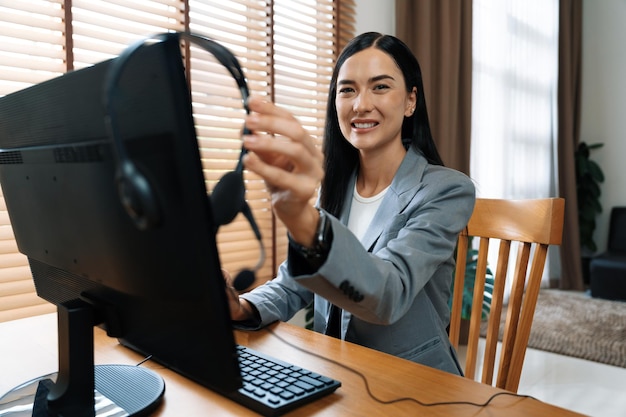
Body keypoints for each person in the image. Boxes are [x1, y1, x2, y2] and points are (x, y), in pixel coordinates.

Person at [226, 32, 475, 375]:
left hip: (415, 385)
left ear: (410, 101)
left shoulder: (446, 189)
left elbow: (390, 293)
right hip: (340, 375)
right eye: (347, 90)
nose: (360, 104)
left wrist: (306, 223)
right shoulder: (336, 185)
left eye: (380, 87)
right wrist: (241, 308)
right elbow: (296, 282)